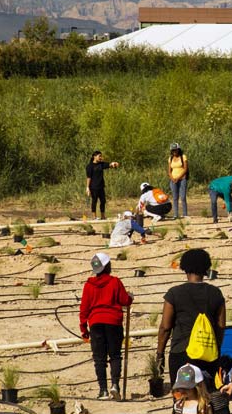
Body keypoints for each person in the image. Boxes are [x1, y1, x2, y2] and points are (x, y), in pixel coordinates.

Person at [157, 249, 227, 388]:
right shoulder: (216, 293)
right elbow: (221, 325)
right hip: (207, 353)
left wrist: (160, 353)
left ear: (185, 268)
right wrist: (216, 349)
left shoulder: (174, 293)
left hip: (181, 352)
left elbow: (165, 327)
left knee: (181, 399)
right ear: (206, 268)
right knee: (206, 398)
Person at [80, 252, 133, 400]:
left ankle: (102, 390)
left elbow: (84, 309)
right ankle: (115, 385)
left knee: (99, 358)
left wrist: (84, 329)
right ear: (107, 266)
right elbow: (124, 300)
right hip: (113, 323)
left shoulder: (88, 285)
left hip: (96, 323)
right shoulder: (115, 282)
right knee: (115, 355)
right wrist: (130, 298)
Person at [86, 150, 120, 219]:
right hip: (93, 187)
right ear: (94, 156)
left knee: (103, 201)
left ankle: (103, 216)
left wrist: (114, 164)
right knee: (94, 201)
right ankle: (94, 216)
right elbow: (88, 178)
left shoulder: (101, 164)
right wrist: (87, 187)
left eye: (101, 156)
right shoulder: (90, 166)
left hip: (101, 186)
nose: (101, 157)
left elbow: (109, 165)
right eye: (99, 156)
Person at [168, 143, 189, 220]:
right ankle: (176, 214)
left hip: (182, 179)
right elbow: (169, 171)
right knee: (175, 197)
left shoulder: (183, 157)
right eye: (173, 150)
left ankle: (185, 214)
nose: (174, 152)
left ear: (178, 149)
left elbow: (185, 169)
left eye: (175, 150)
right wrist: (172, 178)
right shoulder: (170, 158)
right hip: (173, 180)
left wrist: (179, 178)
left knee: (183, 197)